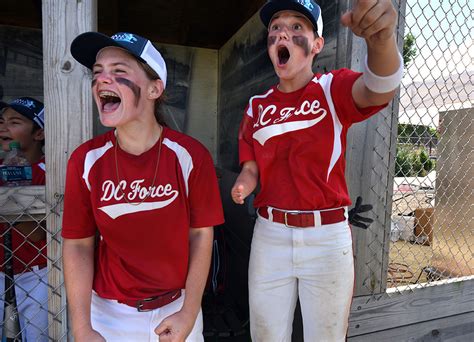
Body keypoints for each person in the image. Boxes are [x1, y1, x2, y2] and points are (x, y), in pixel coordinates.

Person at [231, 0, 403, 340]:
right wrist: (243, 184)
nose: (283, 32)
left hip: (326, 236)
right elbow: (251, 167)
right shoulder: (256, 106)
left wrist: (382, 39)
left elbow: (378, 88)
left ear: (317, 45)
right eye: (276, 28)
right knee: (266, 334)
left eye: (297, 27)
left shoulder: (330, 88)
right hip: (271, 234)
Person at [61, 31, 224, 342]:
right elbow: (78, 244)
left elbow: (201, 235)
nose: (102, 80)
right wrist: (82, 327)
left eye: (119, 71)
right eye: (97, 73)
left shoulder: (190, 155)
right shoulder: (86, 159)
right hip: (107, 314)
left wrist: (189, 312)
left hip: (177, 307)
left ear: (154, 89)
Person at [0, 97, 48, 341]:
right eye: (2, 121)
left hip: (37, 272)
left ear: (39, 133)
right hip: (0, 269)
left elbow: (38, 233)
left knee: (39, 335)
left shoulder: (48, 171)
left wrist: (12, 194)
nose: (3, 127)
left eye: (15, 122)